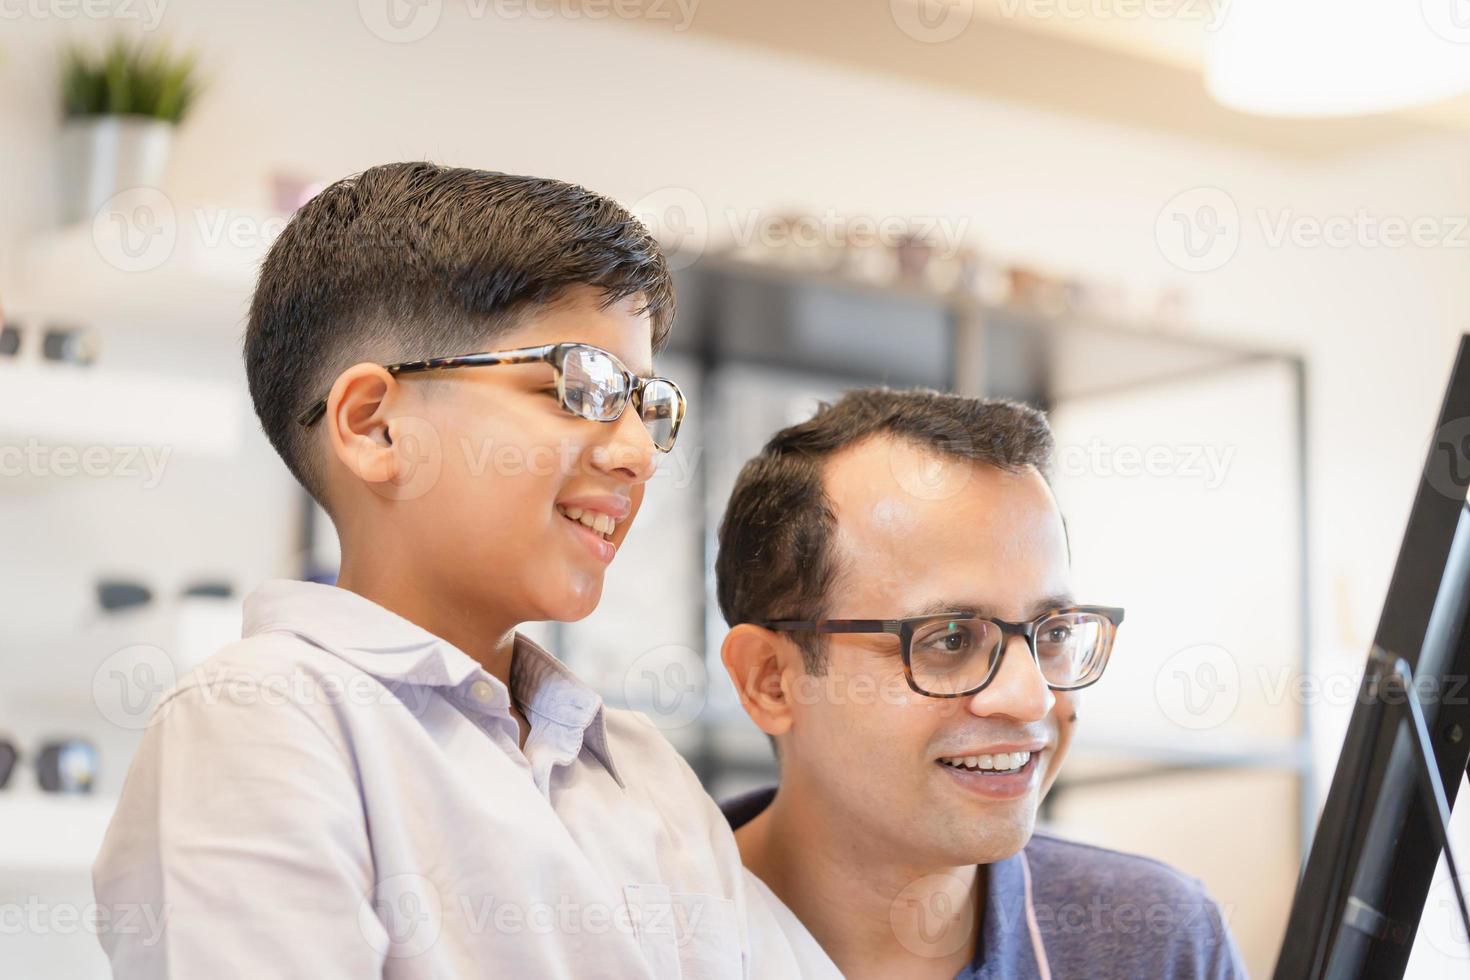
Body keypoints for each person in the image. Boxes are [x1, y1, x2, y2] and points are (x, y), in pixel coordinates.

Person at [92, 162, 836, 978]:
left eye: (644, 405)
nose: (636, 454)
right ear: (375, 427)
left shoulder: (639, 764)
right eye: (579, 387)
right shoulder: (262, 717)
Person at [715, 388, 1248, 979]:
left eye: (1052, 634)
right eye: (949, 639)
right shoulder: (632, 940)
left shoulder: (1162, 944)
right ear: (771, 681)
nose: (1032, 697)